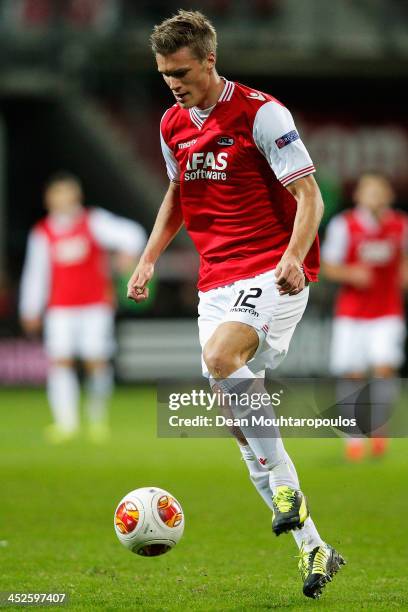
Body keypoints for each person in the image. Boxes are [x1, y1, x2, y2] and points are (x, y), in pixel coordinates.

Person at [127, 10, 344, 599]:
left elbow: (309, 196)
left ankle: (288, 494)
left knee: (219, 363)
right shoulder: (172, 123)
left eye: (181, 71)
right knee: (241, 427)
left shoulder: (261, 113)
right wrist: (148, 258)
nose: (172, 81)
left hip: (273, 266)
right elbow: (178, 193)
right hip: (214, 279)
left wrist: (295, 257)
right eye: (164, 73)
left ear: (208, 61)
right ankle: (315, 548)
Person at [20, 171, 146, 443]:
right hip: (60, 308)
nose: (62, 198)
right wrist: (30, 308)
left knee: (95, 361)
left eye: (67, 192)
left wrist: (128, 254)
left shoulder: (94, 221)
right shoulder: (43, 232)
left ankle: (97, 419)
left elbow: (132, 234)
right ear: (48, 199)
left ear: (76, 195)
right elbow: (36, 273)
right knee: (60, 360)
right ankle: (66, 423)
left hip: (95, 305)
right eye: (57, 193)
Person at [322, 172, 408, 460]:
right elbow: (327, 265)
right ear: (358, 195)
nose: (375, 196)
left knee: (384, 368)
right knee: (353, 373)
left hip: (387, 311)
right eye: (369, 191)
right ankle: (354, 438)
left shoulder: (400, 225)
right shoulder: (344, 224)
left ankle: (379, 429)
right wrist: (350, 273)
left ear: (389, 196)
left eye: (380, 191)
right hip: (352, 314)